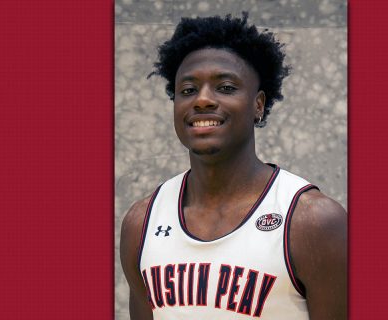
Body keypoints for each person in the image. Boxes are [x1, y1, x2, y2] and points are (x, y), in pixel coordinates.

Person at [120, 13, 347, 320]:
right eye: (187, 90)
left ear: (258, 104)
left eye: (225, 87)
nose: (202, 100)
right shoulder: (141, 223)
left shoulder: (313, 222)